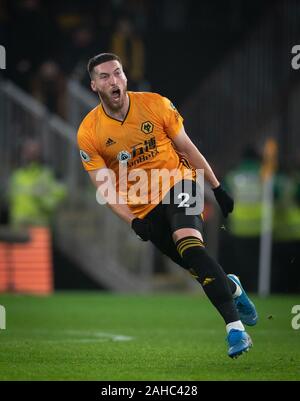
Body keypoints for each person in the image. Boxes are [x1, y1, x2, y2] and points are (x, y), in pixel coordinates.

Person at [77, 53, 258, 358]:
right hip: (144, 208)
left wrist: (216, 187)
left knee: (190, 245)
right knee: (196, 267)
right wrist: (132, 221)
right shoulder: (89, 132)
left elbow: (186, 146)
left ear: (125, 76)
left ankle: (235, 330)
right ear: (94, 85)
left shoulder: (155, 104)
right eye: (105, 77)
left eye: (118, 73)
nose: (114, 81)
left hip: (179, 182)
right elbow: (105, 188)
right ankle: (233, 287)